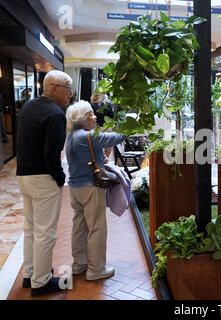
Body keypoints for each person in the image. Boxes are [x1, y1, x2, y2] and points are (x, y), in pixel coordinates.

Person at [16, 70, 72, 297]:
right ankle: (41, 281)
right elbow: (52, 154)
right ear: (53, 88)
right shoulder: (56, 114)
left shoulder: (28, 107)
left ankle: (30, 275)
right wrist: (60, 178)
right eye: (67, 88)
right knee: (45, 233)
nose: (70, 93)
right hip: (43, 178)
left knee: (30, 229)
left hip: (24, 176)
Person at [65, 100, 126, 281]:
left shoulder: (71, 136)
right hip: (90, 188)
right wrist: (131, 125)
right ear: (82, 119)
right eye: (91, 114)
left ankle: (80, 264)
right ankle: (96, 269)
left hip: (75, 188)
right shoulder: (88, 136)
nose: (95, 118)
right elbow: (116, 137)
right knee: (97, 228)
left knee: (79, 226)